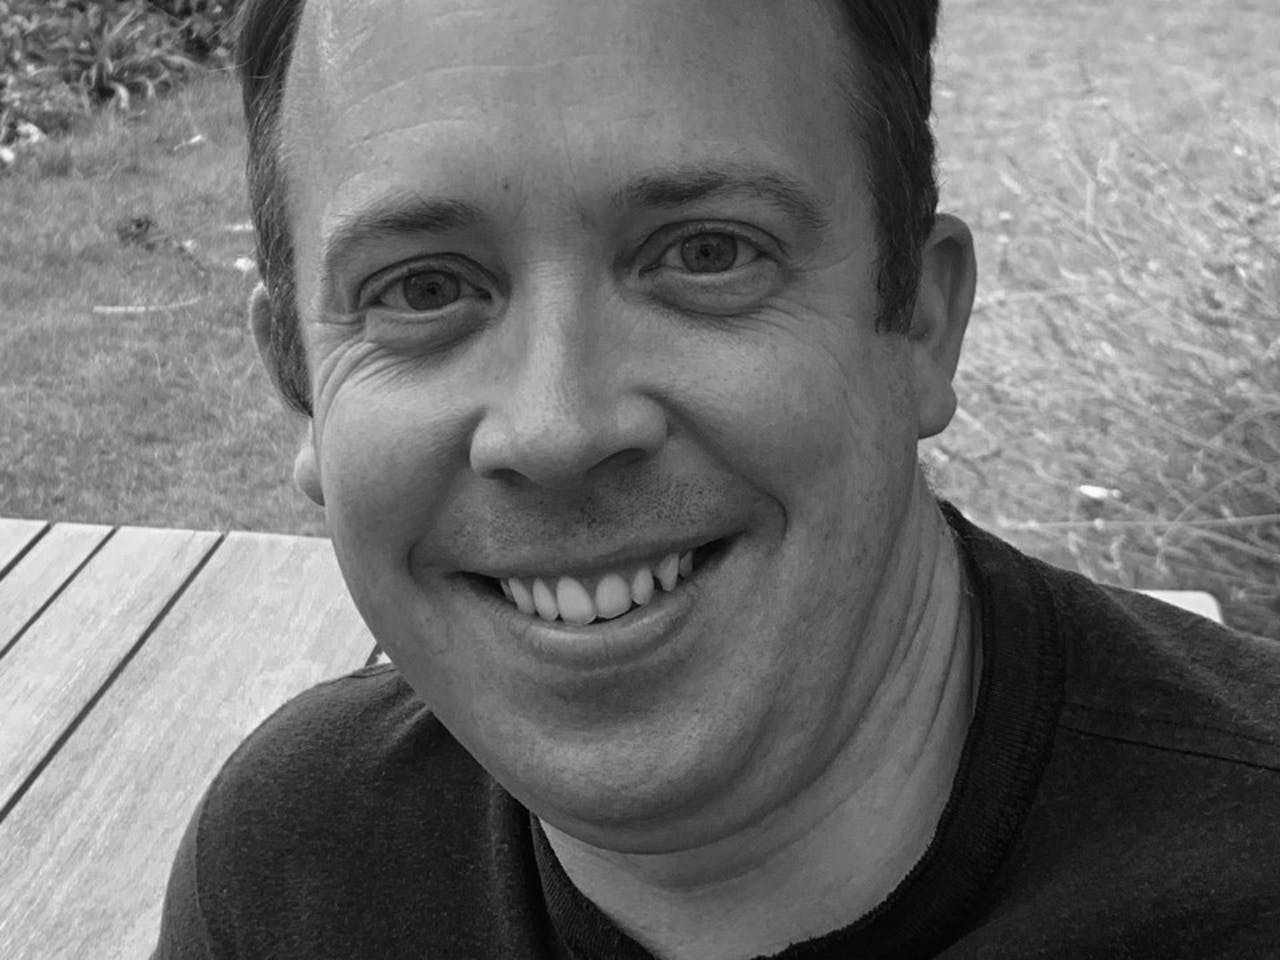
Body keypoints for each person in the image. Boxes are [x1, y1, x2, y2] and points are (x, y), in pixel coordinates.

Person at [150, 1, 1280, 957]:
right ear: (301, 382)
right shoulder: (290, 875)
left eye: (707, 253)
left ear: (922, 324)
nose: (557, 429)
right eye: (422, 289)